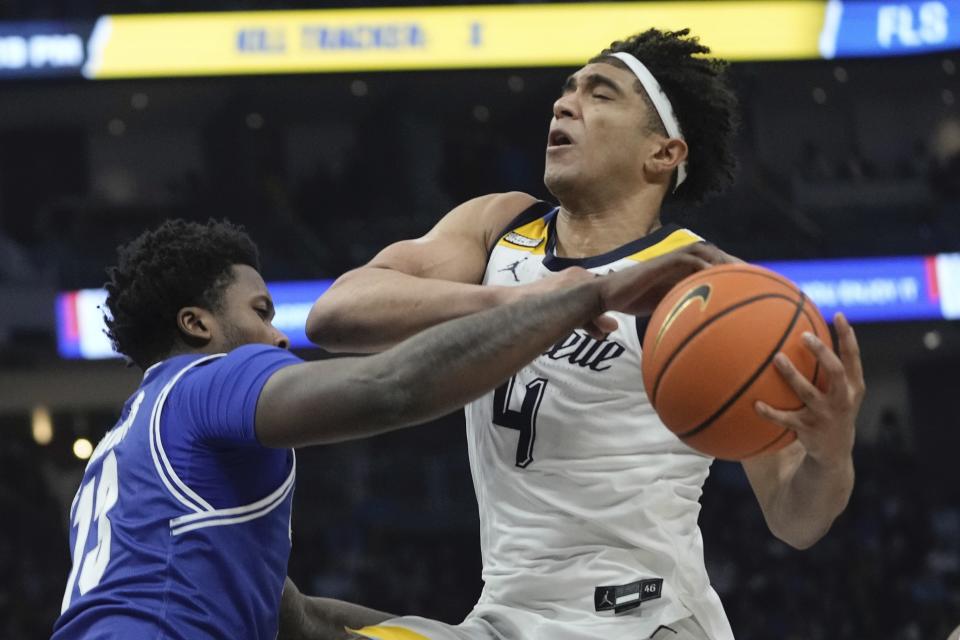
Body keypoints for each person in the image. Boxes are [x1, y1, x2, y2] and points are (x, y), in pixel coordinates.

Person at [305, 28, 865, 640]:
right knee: (296, 620)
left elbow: (794, 517)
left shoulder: (711, 285)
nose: (564, 103)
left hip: (648, 619)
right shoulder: (501, 227)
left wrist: (830, 454)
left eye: (601, 95)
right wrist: (525, 303)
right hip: (503, 620)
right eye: (567, 90)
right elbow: (336, 313)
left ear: (663, 153)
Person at [51, 218, 723, 639]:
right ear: (198, 324)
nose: (277, 337)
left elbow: (299, 621)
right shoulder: (208, 382)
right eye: (259, 311)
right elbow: (388, 388)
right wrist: (579, 296)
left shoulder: (128, 448)